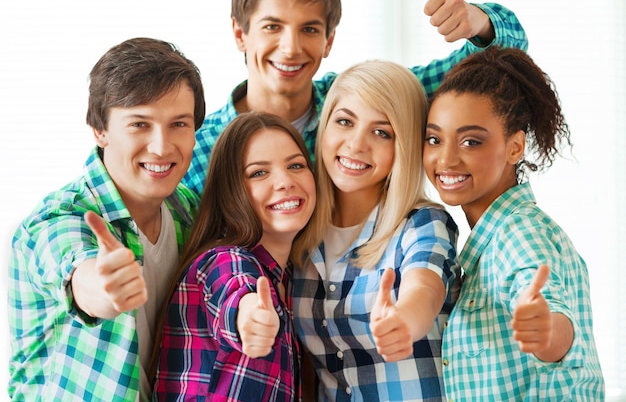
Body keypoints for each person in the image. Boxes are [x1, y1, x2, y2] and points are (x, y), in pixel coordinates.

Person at [182, 0, 529, 195]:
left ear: (329, 40)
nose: (290, 48)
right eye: (272, 27)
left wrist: (477, 23)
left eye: (310, 30)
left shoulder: (359, 102)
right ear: (240, 34)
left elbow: (504, 58)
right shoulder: (199, 149)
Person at [8, 37, 206, 401]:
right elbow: (75, 268)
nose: (162, 146)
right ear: (100, 131)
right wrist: (101, 288)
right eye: (139, 125)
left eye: (178, 123)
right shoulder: (57, 218)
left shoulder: (189, 211)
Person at [422, 46, 605, 400]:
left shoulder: (518, 233)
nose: (445, 158)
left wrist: (545, 330)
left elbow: (553, 321)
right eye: (434, 139)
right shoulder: (488, 242)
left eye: (471, 141)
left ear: (515, 148)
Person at [292, 60, 460, 401]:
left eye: (381, 132)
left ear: (405, 145)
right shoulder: (299, 236)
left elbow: (424, 290)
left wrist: (404, 321)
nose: (356, 144)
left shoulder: (423, 224)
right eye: (344, 121)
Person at [151, 112, 318, 401]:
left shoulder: (289, 277)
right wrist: (251, 317)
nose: (284, 181)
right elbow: (239, 292)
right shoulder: (225, 259)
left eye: (296, 165)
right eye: (259, 172)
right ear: (231, 192)